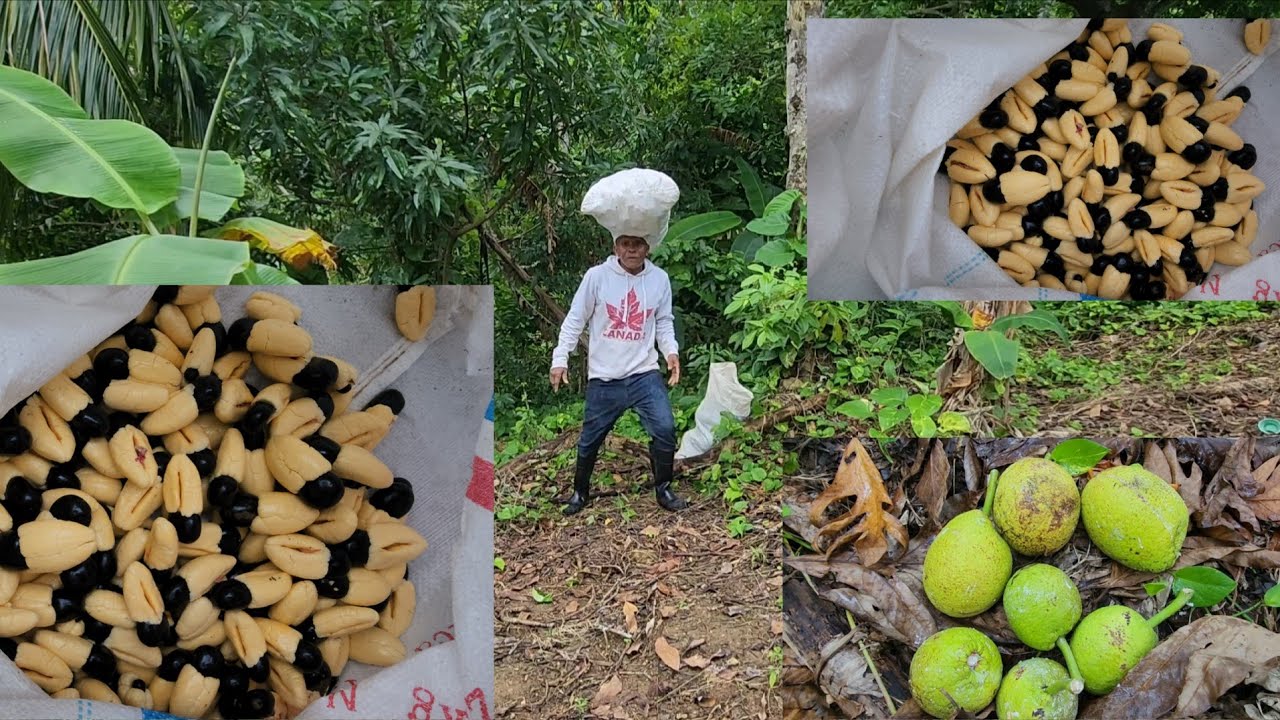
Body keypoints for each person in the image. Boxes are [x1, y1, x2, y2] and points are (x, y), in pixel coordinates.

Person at [550, 234, 689, 515]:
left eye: (637, 244)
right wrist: (560, 358)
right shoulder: (597, 277)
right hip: (604, 376)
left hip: (644, 373)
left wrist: (670, 352)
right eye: (625, 244)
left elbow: (663, 321)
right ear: (616, 248)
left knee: (664, 429)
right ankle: (580, 492)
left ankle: (663, 488)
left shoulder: (659, 279)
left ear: (647, 248)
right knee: (590, 438)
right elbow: (576, 318)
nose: (631, 250)